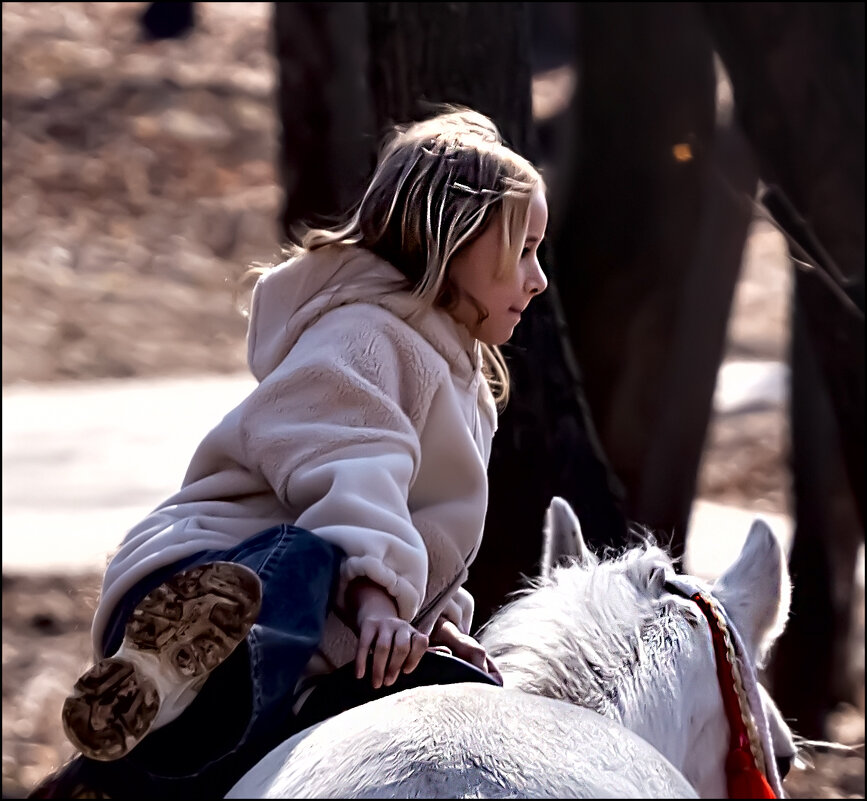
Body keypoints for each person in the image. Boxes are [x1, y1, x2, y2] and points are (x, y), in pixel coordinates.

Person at [34, 106, 548, 798]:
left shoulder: (464, 386)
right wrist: (377, 603)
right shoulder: (365, 335)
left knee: (448, 695)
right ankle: (157, 682)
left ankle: (157, 766)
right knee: (301, 562)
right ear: (449, 241)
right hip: (224, 570)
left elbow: (426, 529)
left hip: (311, 638)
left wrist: (435, 622)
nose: (537, 277)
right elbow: (352, 466)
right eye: (521, 251)